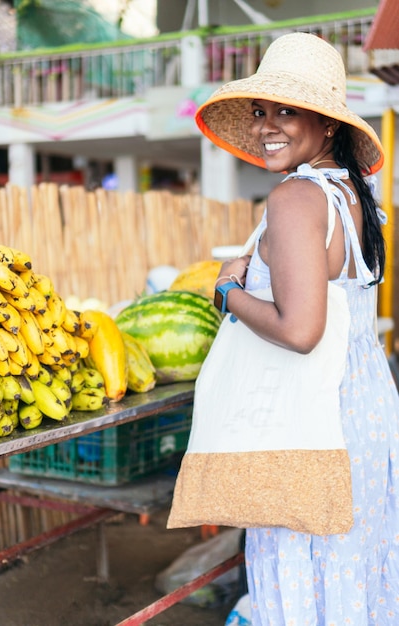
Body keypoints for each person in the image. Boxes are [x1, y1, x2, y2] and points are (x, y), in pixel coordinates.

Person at [193, 32, 399, 625]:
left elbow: (301, 329)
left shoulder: (294, 199)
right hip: (365, 414)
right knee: (356, 576)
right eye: (260, 111)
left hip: (311, 424)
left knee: (303, 583)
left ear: (328, 124)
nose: (265, 126)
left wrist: (230, 293)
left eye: (286, 109)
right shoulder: (357, 198)